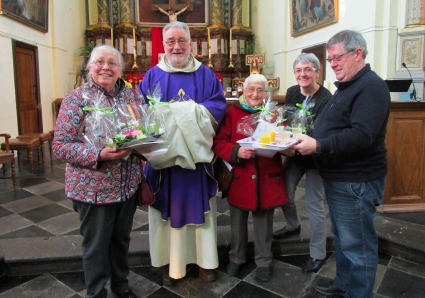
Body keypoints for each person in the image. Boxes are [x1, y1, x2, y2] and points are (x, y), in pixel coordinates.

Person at [294, 30, 391, 297]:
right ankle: (344, 284)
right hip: (341, 179)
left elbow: (362, 135)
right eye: (330, 59)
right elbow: (334, 127)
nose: (333, 63)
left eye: (337, 58)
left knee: (358, 246)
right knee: (344, 238)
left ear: (357, 53)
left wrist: (318, 145)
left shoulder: (370, 86)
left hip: (356, 180)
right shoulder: (348, 86)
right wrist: (308, 138)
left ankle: (357, 293)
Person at [137, 21, 227, 285]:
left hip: (196, 164)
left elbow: (217, 107)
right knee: (166, 210)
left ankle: (205, 262)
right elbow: (142, 114)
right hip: (165, 164)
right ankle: (170, 263)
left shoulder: (206, 75)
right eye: (170, 41)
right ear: (163, 45)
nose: (177, 46)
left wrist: (174, 112)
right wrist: (186, 110)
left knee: (201, 212)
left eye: (182, 40)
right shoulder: (152, 75)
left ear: (191, 43)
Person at [52, 45, 143, 298]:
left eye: (112, 63)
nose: (106, 67)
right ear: (89, 67)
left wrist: (144, 143)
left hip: (127, 186)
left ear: (120, 69)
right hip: (93, 188)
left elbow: (142, 131)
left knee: (121, 242)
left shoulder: (132, 97)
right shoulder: (76, 99)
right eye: (99, 62)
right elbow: (60, 146)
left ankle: (121, 287)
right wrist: (98, 155)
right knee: (95, 247)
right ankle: (97, 293)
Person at [213, 74, 294, 282]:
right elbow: (219, 142)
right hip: (239, 177)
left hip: (267, 177)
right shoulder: (232, 114)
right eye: (251, 89)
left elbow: (285, 138)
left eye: (260, 90)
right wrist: (236, 151)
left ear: (266, 93)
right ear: (244, 91)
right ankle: (236, 257)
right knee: (237, 223)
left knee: (264, 223)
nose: (255, 94)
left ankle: (264, 260)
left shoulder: (274, 114)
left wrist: (281, 143)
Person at [273, 53, 331, 274]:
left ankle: (318, 253)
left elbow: (322, 132)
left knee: (313, 204)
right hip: (296, 154)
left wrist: (296, 142)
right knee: (284, 193)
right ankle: (292, 225)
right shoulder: (292, 92)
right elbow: (287, 120)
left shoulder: (327, 98)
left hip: (316, 157)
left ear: (317, 72)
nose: (302, 74)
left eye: (307, 69)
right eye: (298, 70)